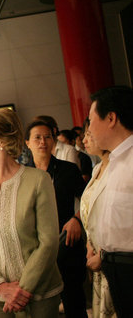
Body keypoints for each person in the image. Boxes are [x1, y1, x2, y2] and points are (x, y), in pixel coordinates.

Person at [0, 109, 62, 317]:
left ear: (1, 139)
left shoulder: (38, 180)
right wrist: (0, 286)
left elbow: (49, 241)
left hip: (39, 294)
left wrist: (22, 290)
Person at [25, 120, 88, 318]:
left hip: (66, 239)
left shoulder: (68, 170)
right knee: (41, 304)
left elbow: (89, 200)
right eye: (37, 137)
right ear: (27, 143)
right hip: (35, 246)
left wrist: (77, 219)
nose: (43, 141)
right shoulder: (22, 175)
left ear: (53, 141)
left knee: (74, 299)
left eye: (48, 137)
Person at [88, 86, 133, 318]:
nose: (89, 129)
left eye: (91, 120)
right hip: (113, 265)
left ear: (111, 118)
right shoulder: (113, 160)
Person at [79, 119, 115, 317]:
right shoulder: (97, 168)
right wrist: (89, 247)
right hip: (94, 252)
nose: (85, 139)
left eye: (89, 133)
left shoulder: (119, 168)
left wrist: (102, 254)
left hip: (110, 254)